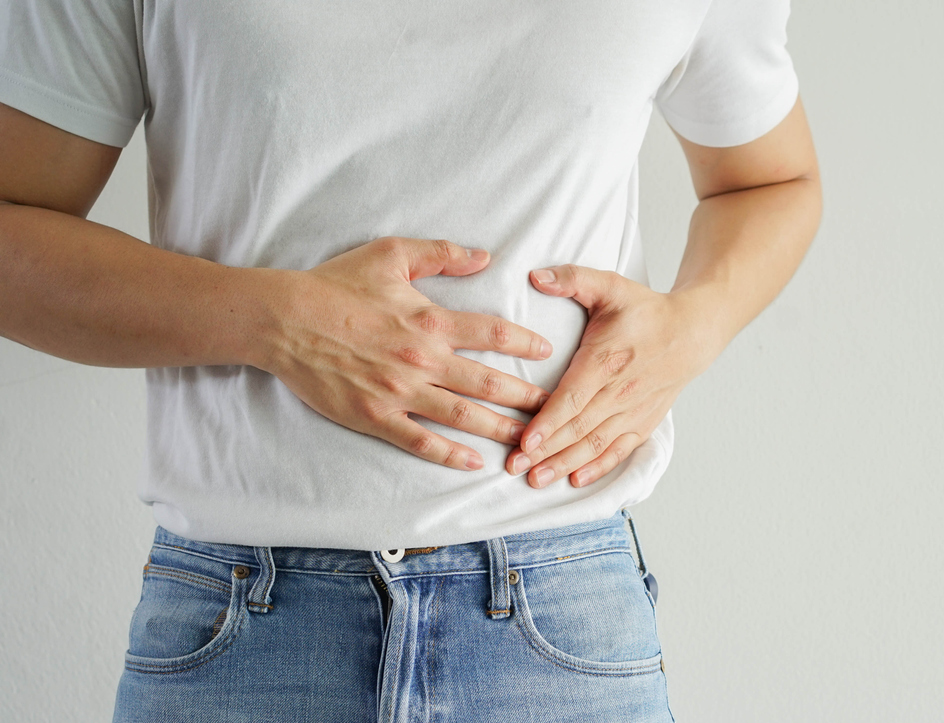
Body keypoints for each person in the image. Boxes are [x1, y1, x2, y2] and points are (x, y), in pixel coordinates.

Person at [0, 1, 821, 721]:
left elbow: (770, 181)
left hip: (558, 621)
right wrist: (277, 322)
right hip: (241, 628)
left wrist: (690, 327)